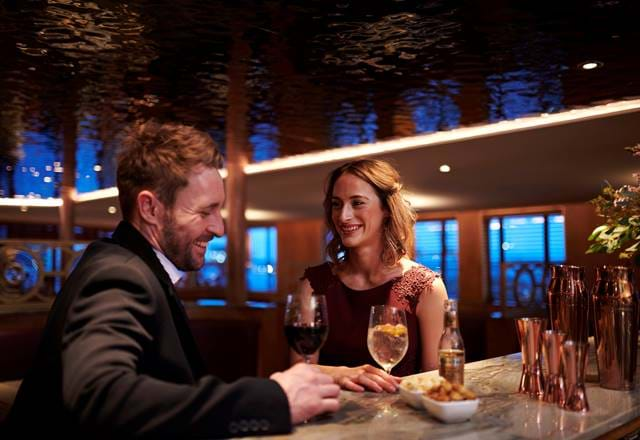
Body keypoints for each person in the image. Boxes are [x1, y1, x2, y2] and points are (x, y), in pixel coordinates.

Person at [3, 121, 339, 438]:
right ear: (150, 208)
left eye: (218, 211)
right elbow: (100, 394)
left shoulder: (134, 265)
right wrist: (273, 399)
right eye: (204, 211)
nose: (218, 228)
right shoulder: (118, 275)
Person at [292, 159, 448, 393]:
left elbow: (436, 384)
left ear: (386, 209)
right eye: (336, 204)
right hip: (328, 420)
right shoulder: (313, 285)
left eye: (357, 203)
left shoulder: (427, 288)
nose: (343, 216)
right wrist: (342, 373)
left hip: (403, 423)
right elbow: (298, 371)